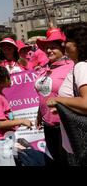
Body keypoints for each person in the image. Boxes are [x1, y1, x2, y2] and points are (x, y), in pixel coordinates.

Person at [46, 22, 87, 165]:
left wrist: (59, 101)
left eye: (68, 41)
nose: (64, 45)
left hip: (80, 146)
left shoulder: (82, 67)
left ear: (79, 44)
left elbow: (85, 103)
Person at [0, 66, 33, 166]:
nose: (10, 79)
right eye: (8, 77)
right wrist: (21, 121)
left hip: (4, 140)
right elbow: (1, 123)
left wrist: (16, 123)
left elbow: (7, 117)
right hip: (0, 142)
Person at [34, 28, 73, 166]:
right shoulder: (44, 68)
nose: (49, 50)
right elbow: (43, 94)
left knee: (67, 162)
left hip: (66, 125)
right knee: (55, 160)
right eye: (47, 47)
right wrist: (40, 115)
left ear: (63, 49)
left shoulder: (73, 67)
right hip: (48, 124)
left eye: (53, 47)